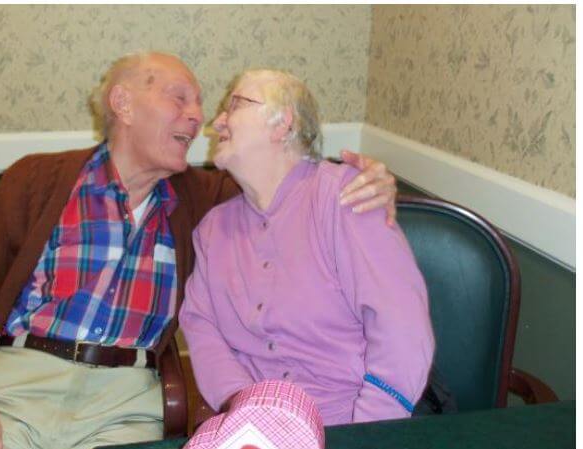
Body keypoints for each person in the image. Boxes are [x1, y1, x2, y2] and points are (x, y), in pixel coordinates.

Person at [0, 53, 398, 449]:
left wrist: (367, 182)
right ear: (123, 103)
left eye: (201, 104)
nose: (199, 117)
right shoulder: (35, 179)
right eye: (180, 98)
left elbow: (288, 183)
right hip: (15, 391)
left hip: (124, 405)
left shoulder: (208, 197)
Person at [180, 69, 434, 427]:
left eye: (234, 105)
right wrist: (245, 409)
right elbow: (201, 326)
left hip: (352, 426)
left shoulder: (346, 197)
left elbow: (402, 331)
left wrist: (367, 435)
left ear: (282, 124)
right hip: (255, 434)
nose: (217, 122)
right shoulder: (213, 229)